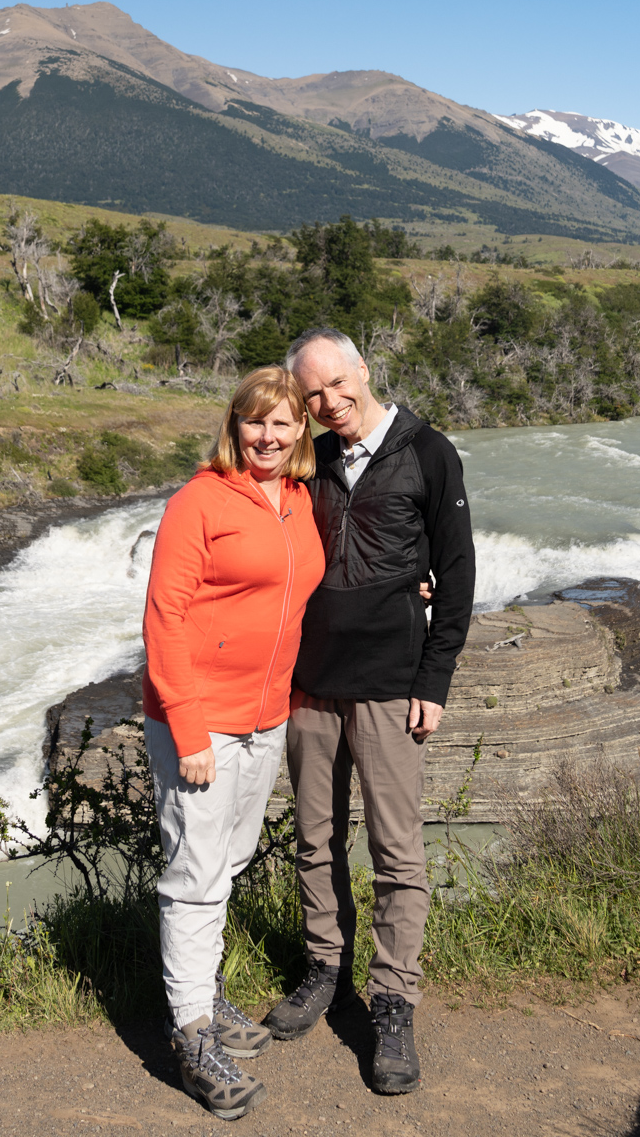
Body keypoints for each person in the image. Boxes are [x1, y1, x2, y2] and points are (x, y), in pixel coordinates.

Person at [266, 327, 476, 1095]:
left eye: (335, 385)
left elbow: (455, 575)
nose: (327, 403)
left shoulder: (429, 452)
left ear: (364, 371)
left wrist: (435, 679)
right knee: (314, 840)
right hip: (311, 683)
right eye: (311, 394)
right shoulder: (307, 461)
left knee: (397, 853)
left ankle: (392, 1001)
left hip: (393, 685)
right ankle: (324, 968)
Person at [141, 366, 324, 1121]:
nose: (268, 437)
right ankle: (191, 1037)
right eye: (255, 422)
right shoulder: (199, 502)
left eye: (283, 424)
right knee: (195, 872)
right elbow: (164, 618)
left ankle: (204, 996)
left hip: (265, 717)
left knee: (231, 860)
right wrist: (188, 727)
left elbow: (301, 591)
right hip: (201, 723)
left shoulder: (300, 502)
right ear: (235, 426)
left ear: (301, 432)